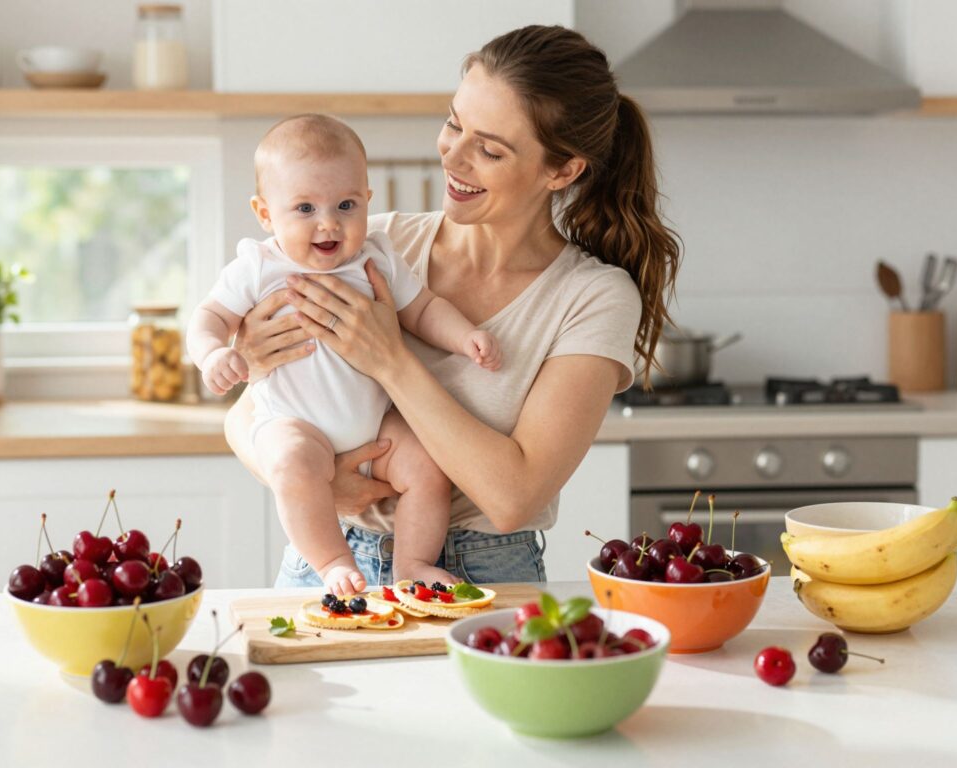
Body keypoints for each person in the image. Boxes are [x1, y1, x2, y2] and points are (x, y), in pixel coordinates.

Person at [225, 25, 680, 589]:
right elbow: (245, 416)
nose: (453, 157)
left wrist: (390, 358)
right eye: (453, 124)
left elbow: (512, 497)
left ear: (561, 170)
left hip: (478, 572)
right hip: (324, 564)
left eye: (489, 149)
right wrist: (308, 475)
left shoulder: (591, 298)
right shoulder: (373, 245)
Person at [188, 114, 502, 596]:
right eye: (305, 208)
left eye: (346, 204)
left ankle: (413, 563)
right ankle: (333, 561)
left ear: (367, 202)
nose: (329, 222)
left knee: (428, 466)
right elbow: (208, 316)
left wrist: (464, 337)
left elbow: (422, 310)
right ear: (266, 213)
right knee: (292, 465)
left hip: (375, 424)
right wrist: (213, 354)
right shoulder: (258, 265)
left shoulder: (375, 256)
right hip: (293, 421)